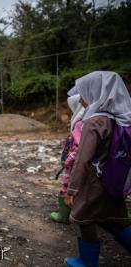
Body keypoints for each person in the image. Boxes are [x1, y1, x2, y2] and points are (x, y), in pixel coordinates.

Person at [64, 71, 131, 266]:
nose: (82, 98)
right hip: (113, 179)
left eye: (84, 92)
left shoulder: (94, 121)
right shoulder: (120, 117)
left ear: (95, 92)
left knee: (84, 218)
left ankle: (87, 261)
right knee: (114, 220)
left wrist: (72, 189)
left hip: (93, 183)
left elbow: (82, 159)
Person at [50, 94, 84, 223]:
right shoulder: (84, 121)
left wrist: (67, 161)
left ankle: (63, 216)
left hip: (73, 163)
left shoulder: (80, 124)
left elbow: (77, 147)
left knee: (67, 185)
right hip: (75, 160)